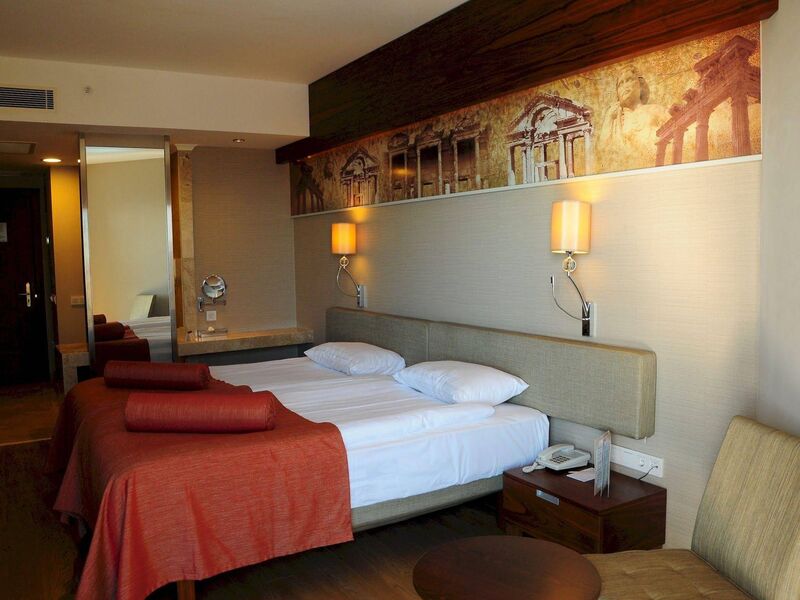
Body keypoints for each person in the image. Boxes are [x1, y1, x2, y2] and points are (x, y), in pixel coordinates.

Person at [598, 66, 669, 172]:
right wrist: (609, 118)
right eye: (620, 84)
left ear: (640, 85)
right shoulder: (615, 120)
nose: (624, 86)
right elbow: (603, 151)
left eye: (629, 80)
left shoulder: (656, 110)